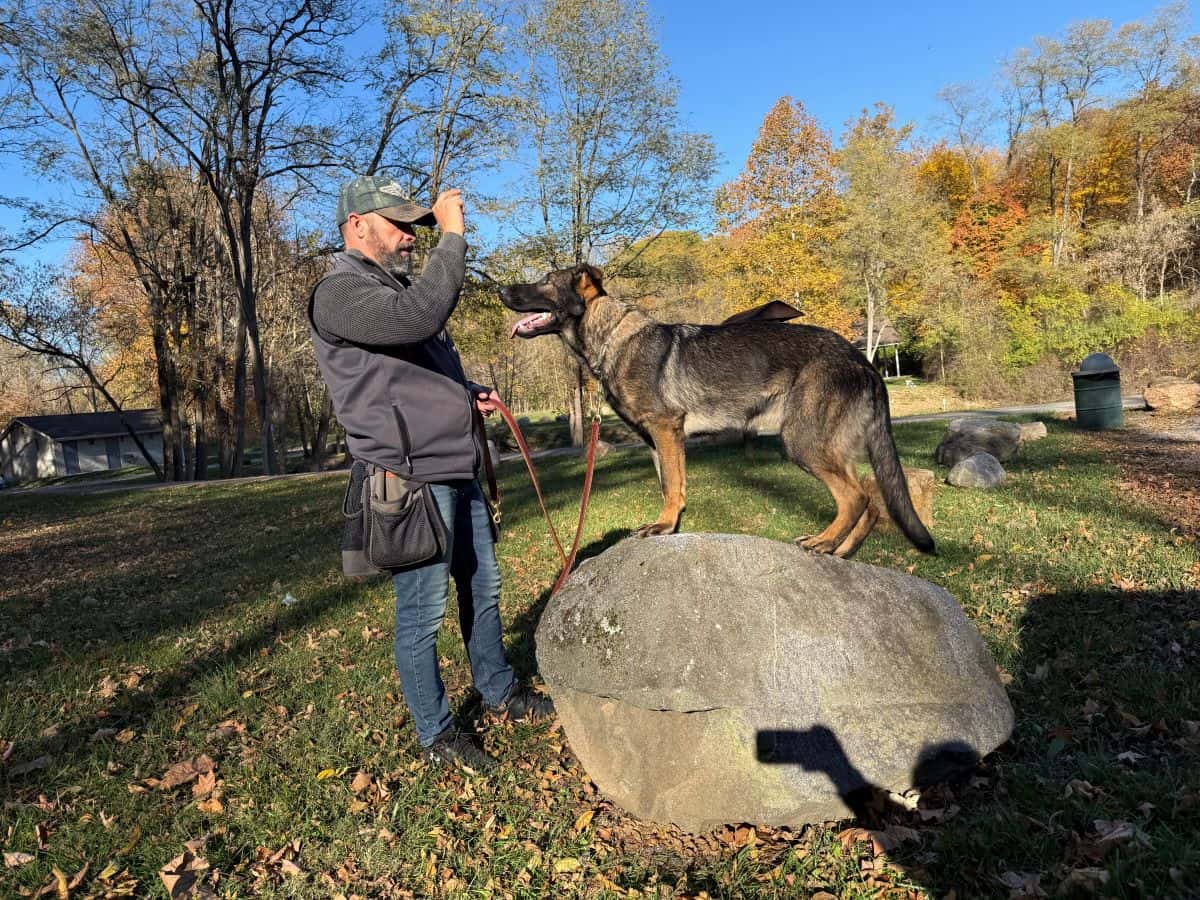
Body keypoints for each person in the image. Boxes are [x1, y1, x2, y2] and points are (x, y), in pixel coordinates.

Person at [308, 175, 554, 772]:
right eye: (399, 224)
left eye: (417, 226)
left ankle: (497, 690)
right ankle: (437, 733)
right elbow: (415, 319)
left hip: (455, 463)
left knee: (483, 586)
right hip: (408, 477)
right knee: (422, 613)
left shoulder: (388, 291)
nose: (411, 237)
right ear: (356, 225)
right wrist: (453, 235)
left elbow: (410, 368)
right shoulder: (338, 292)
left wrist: (467, 392)